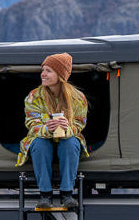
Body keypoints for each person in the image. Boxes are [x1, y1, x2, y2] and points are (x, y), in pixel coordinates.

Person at [15, 52, 88, 209]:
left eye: (49, 70)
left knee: (70, 144)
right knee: (40, 144)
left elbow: (80, 123)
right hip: (42, 138)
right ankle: (45, 195)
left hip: (66, 138)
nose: (43, 74)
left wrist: (67, 128)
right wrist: (46, 128)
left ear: (60, 75)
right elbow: (31, 123)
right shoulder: (34, 96)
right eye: (43, 70)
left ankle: (67, 193)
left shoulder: (77, 97)